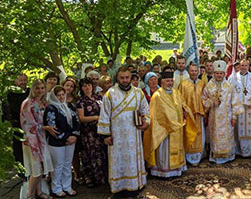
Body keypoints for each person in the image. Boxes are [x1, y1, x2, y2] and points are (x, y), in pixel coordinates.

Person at [98, 67, 150, 196]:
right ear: (118, 78)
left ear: (131, 78)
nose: (125, 80)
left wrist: (146, 122)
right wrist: (106, 135)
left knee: (133, 159)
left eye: (127, 77)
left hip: (134, 134)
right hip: (117, 136)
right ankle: (119, 188)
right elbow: (104, 115)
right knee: (118, 160)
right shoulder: (110, 94)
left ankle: (135, 186)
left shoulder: (138, 93)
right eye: (122, 78)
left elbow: (145, 110)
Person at [143, 71, 196, 177]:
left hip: (177, 127)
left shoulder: (176, 92)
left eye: (171, 81)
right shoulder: (157, 95)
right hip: (164, 130)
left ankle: (177, 169)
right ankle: (163, 172)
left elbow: (183, 104)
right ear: (161, 82)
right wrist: (170, 124)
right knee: (164, 151)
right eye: (167, 81)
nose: (170, 83)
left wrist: (185, 110)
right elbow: (157, 114)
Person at [202, 60, 244, 164]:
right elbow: (203, 100)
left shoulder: (230, 86)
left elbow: (235, 102)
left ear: (224, 74)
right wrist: (211, 102)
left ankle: (228, 156)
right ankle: (215, 156)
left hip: (227, 118)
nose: (219, 75)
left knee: (227, 135)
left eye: (221, 73)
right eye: (217, 73)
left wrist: (234, 117)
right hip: (214, 118)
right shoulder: (208, 86)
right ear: (214, 73)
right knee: (214, 136)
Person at [44, 86, 80, 197]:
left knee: (67, 164)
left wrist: (74, 135)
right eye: (58, 95)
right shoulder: (51, 108)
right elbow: (52, 127)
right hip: (56, 142)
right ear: (54, 96)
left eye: (63, 94)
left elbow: (77, 122)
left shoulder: (70, 106)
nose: (61, 97)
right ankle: (56, 188)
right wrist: (66, 137)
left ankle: (67, 186)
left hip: (71, 140)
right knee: (58, 165)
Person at [20, 79, 54, 199]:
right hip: (32, 140)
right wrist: (46, 127)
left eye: (42, 88)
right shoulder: (27, 103)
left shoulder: (44, 102)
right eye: (37, 88)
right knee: (36, 168)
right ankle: (30, 194)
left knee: (42, 167)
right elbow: (29, 125)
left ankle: (39, 192)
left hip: (42, 138)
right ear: (33, 89)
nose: (40, 90)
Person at [76, 78, 107, 187]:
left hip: (100, 132)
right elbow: (81, 118)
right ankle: (90, 179)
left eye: (89, 85)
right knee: (90, 155)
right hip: (88, 133)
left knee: (101, 154)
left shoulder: (99, 98)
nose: (87, 87)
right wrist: (96, 117)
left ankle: (102, 178)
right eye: (84, 86)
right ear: (81, 88)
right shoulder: (81, 101)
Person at [229, 59, 251, 157]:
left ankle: (248, 152)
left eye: (246, 65)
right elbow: (230, 92)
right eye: (242, 65)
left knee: (249, 128)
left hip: (250, 108)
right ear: (239, 66)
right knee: (237, 129)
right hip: (238, 107)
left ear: (248, 66)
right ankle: (238, 150)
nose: (244, 67)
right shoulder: (233, 77)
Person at [179, 64, 207, 165]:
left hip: (199, 115)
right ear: (189, 71)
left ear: (198, 72)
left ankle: (200, 155)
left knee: (200, 135)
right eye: (192, 71)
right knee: (190, 134)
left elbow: (205, 98)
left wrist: (205, 112)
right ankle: (189, 157)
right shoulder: (183, 84)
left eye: (196, 71)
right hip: (189, 115)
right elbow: (180, 99)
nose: (194, 73)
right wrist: (184, 111)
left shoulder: (202, 84)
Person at [5, 74, 30, 170]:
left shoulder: (30, 92)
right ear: (16, 82)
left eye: (24, 80)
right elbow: (11, 110)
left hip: (31, 124)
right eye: (21, 80)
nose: (23, 82)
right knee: (19, 148)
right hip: (17, 124)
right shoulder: (11, 94)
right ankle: (22, 170)